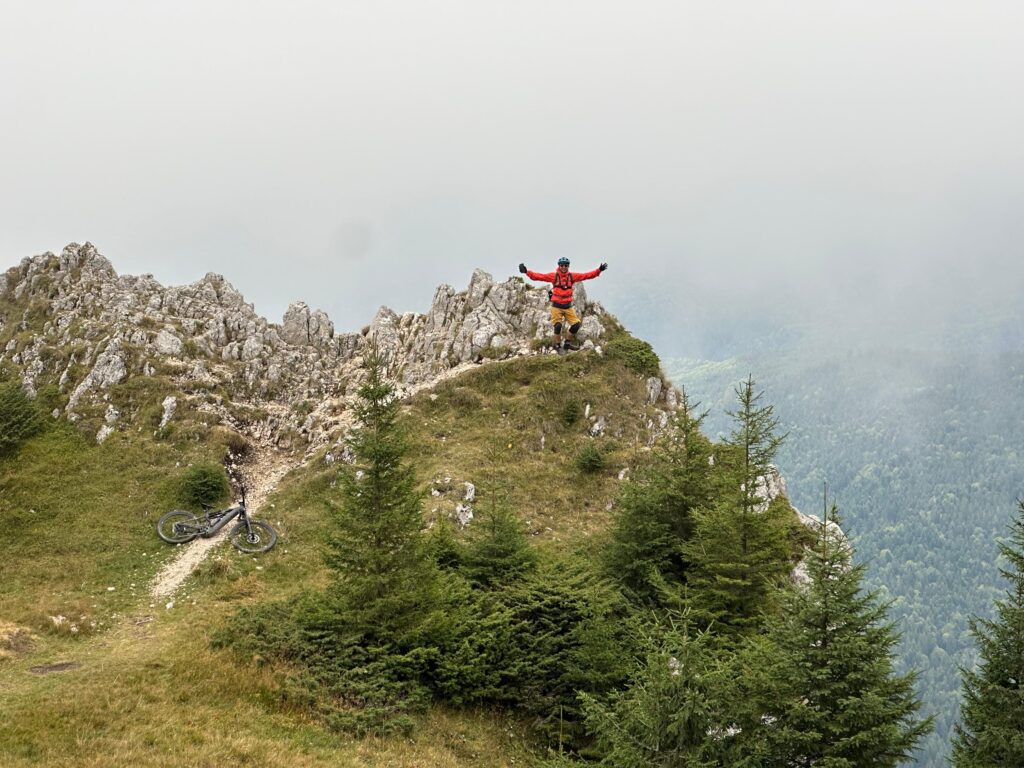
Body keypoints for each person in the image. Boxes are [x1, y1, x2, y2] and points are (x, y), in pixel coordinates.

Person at [519, 257, 608, 350]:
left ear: (568, 266)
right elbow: (539, 276)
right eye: (562, 265)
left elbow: (586, 275)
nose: (564, 267)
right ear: (559, 266)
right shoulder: (554, 276)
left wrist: (598, 270)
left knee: (576, 325)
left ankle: (567, 343)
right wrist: (526, 272)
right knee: (558, 326)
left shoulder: (571, 276)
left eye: (566, 265)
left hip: (568, 306)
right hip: (556, 306)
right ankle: (557, 345)